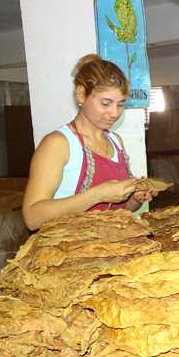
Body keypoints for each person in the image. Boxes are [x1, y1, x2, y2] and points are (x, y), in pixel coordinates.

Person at [22, 54, 156, 231]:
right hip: (68, 253)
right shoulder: (58, 144)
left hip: (109, 247)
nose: (115, 113)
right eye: (106, 103)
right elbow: (32, 218)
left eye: (120, 104)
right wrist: (97, 195)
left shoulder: (116, 142)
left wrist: (134, 199)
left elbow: (120, 212)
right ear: (81, 94)